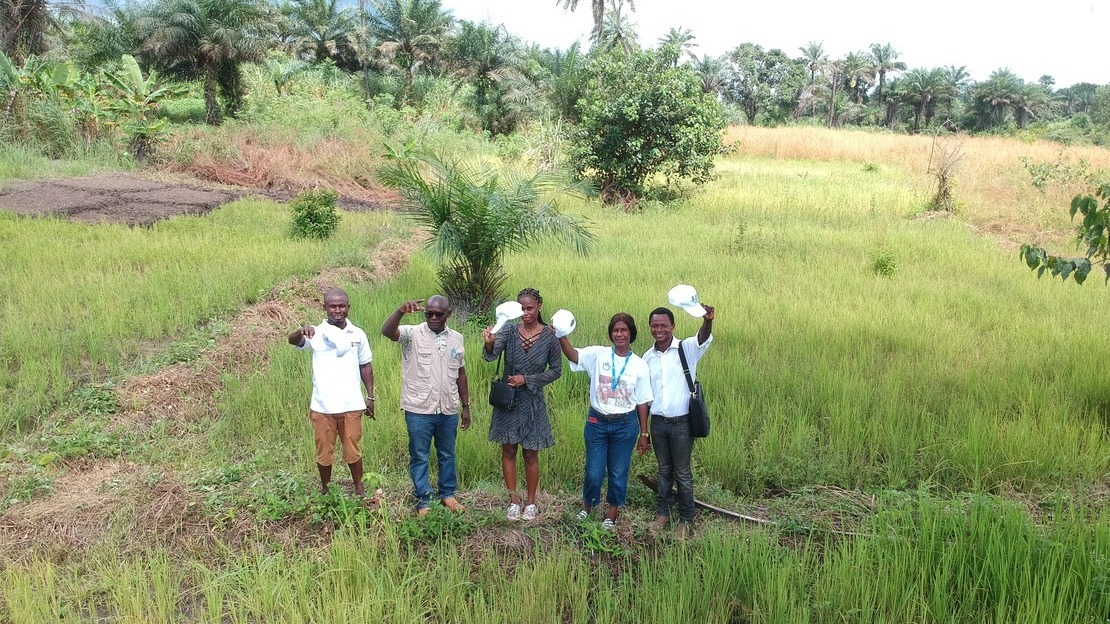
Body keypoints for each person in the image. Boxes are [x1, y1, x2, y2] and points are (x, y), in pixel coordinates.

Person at [558, 312, 653, 530]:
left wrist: (644, 433)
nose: (619, 334)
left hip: (625, 425)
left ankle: (612, 513)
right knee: (594, 471)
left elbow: (642, 402)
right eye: (615, 330)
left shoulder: (639, 365)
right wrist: (561, 335)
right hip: (597, 422)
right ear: (611, 333)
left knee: (618, 471)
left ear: (631, 334)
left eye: (624, 330)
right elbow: (573, 356)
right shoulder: (598, 355)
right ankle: (588, 507)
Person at [381, 295, 471, 515]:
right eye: (428, 313)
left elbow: (461, 373)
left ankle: (447, 495)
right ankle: (424, 500)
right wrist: (400, 311)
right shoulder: (412, 334)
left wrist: (466, 406)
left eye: (438, 314)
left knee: (447, 454)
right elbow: (387, 331)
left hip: (448, 408)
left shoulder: (457, 338)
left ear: (448, 314)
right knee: (420, 455)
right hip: (419, 409)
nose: (433, 318)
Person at [482, 288, 562, 521]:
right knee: (508, 449)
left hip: (533, 401)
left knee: (531, 453)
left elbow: (556, 371)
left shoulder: (549, 336)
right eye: (522, 309)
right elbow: (492, 354)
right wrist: (489, 343)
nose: (526, 313)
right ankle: (513, 501)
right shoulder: (509, 330)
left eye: (530, 308)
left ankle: (531, 502)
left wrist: (527, 379)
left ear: (539, 307)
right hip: (508, 402)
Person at [287, 288, 375, 496]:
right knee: (324, 452)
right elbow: (293, 341)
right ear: (324, 307)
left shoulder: (358, 333)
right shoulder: (315, 333)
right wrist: (300, 332)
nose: (337, 310)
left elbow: (366, 366)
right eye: (333, 306)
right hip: (322, 406)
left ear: (348, 307)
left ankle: (359, 487)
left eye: (341, 306)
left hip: (351, 405)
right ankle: (326, 488)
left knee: (352, 448)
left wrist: (370, 396)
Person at [643, 303, 715, 539]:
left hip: (683, 423)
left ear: (673, 326)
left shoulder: (686, 349)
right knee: (664, 470)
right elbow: (644, 394)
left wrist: (707, 320)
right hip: (659, 423)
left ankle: (686, 519)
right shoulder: (648, 356)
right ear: (650, 328)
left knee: (682, 472)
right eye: (655, 325)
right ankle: (663, 513)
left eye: (664, 325)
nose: (659, 329)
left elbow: (702, 338)